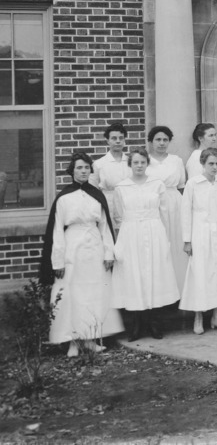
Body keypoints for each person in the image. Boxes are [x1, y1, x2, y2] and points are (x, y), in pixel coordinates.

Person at [41, 152, 124, 357]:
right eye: (79, 167)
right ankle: (73, 342)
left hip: (94, 247)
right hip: (72, 248)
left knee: (94, 292)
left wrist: (108, 253)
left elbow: (105, 227)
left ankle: (89, 339)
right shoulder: (63, 198)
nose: (83, 171)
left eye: (87, 167)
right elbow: (57, 231)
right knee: (72, 294)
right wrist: (57, 261)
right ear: (72, 170)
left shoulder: (97, 194)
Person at [112, 148, 180, 341]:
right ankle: (136, 325)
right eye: (136, 162)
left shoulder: (157, 184)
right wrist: (120, 243)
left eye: (142, 162)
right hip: (131, 233)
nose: (139, 166)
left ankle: (154, 323)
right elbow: (118, 217)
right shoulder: (121, 187)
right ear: (130, 165)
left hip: (154, 231)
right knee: (135, 276)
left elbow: (164, 212)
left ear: (147, 163)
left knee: (154, 275)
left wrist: (164, 238)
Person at [180, 148, 217, 334]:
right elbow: (186, 212)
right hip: (200, 233)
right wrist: (187, 240)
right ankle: (198, 318)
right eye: (210, 164)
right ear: (203, 164)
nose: (214, 167)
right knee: (201, 273)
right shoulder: (193, 184)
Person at [146, 125, 189, 290]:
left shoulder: (176, 160)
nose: (162, 143)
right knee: (160, 243)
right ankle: (161, 289)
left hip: (174, 202)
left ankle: (179, 286)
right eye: (158, 139)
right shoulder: (146, 160)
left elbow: (181, 186)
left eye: (165, 140)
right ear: (151, 142)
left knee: (177, 242)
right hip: (154, 204)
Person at [89, 122, 131, 229]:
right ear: (107, 140)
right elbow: (92, 190)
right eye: (114, 138)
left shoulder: (131, 162)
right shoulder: (99, 164)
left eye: (121, 138)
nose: (118, 141)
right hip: (108, 205)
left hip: (129, 205)